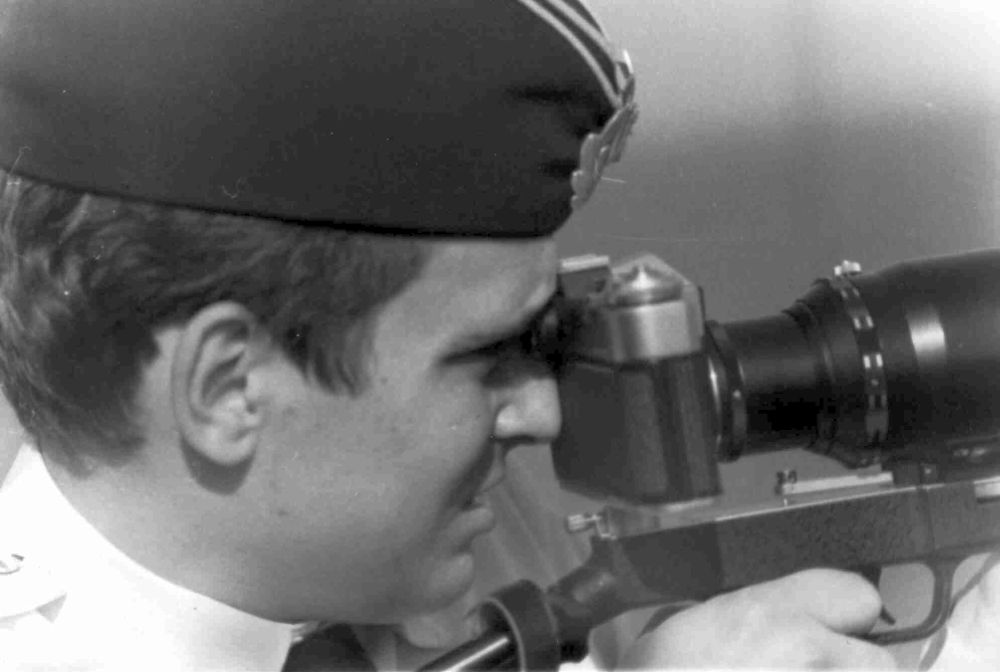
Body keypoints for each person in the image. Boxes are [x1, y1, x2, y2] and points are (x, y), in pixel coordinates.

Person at [0, 1, 895, 669]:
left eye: (538, 339)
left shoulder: (458, 537)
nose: (543, 413)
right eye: (483, 356)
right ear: (229, 387)